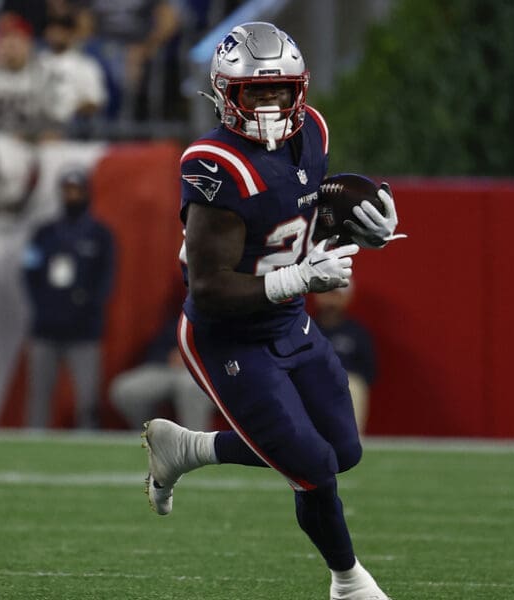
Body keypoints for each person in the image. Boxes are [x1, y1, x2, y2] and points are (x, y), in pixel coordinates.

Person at [141, 22, 404, 600]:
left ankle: (188, 448)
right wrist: (301, 275)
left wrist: (361, 223)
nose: (269, 104)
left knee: (343, 450)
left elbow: (302, 205)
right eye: (254, 92)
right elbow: (207, 288)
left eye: (280, 90)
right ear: (224, 94)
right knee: (313, 468)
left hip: (287, 321)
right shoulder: (214, 163)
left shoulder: (312, 131)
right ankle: (349, 582)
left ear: (300, 90)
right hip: (225, 335)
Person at [21, 166, 115, 429]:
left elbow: (106, 281)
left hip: (84, 331)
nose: (71, 196)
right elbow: (29, 272)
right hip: (45, 328)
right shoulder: (44, 233)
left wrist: (86, 307)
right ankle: (32, 447)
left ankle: (88, 448)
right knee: (39, 397)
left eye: (76, 190)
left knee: (87, 399)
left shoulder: (100, 235)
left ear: (86, 193)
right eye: (67, 190)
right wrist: (43, 306)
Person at [109, 310, 212, 430]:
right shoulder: (190, 310)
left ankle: (194, 445)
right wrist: (170, 356)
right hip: (168, 367)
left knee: (190, 387)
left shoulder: (232, 312)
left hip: (205, 372)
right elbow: (161, 344)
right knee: (125, 389)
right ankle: (152, 436)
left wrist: (195, 357)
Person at [313, 283, 377, 435]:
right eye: (327, 293)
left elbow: (369, 371)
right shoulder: (304, 328)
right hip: (311, 383)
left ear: (347, 298)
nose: (330, 301)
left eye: (336, 295)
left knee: (354, 385)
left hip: (345, 387)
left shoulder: (356, 333)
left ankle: (349, 444)